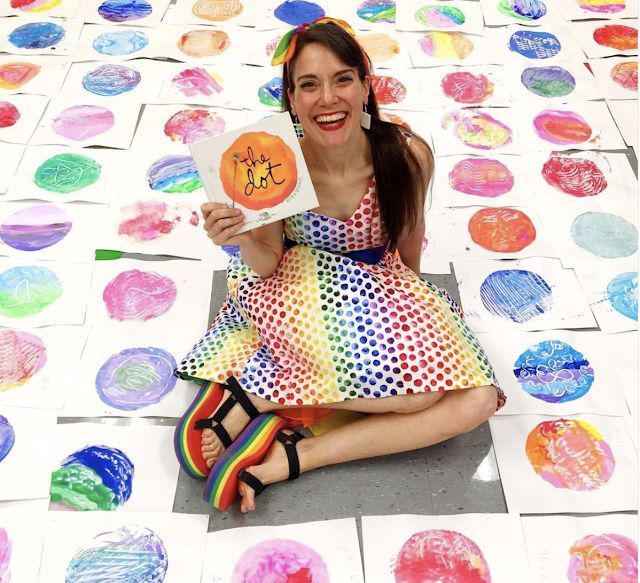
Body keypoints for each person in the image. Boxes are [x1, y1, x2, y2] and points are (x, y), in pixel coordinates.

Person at [175, 17, 505, 514]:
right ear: (290, 99)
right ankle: (268, 395)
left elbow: (409, 244)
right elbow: (266, 266)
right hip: (297, 287)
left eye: (343, 79)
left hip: (376, 280)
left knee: (477, 400)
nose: (328, 98)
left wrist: (417, 320)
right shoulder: (276, 163)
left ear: (366, 86)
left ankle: (292, 444)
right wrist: (244, 235)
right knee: (415, 398)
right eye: (309, 85)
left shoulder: (407, 155)